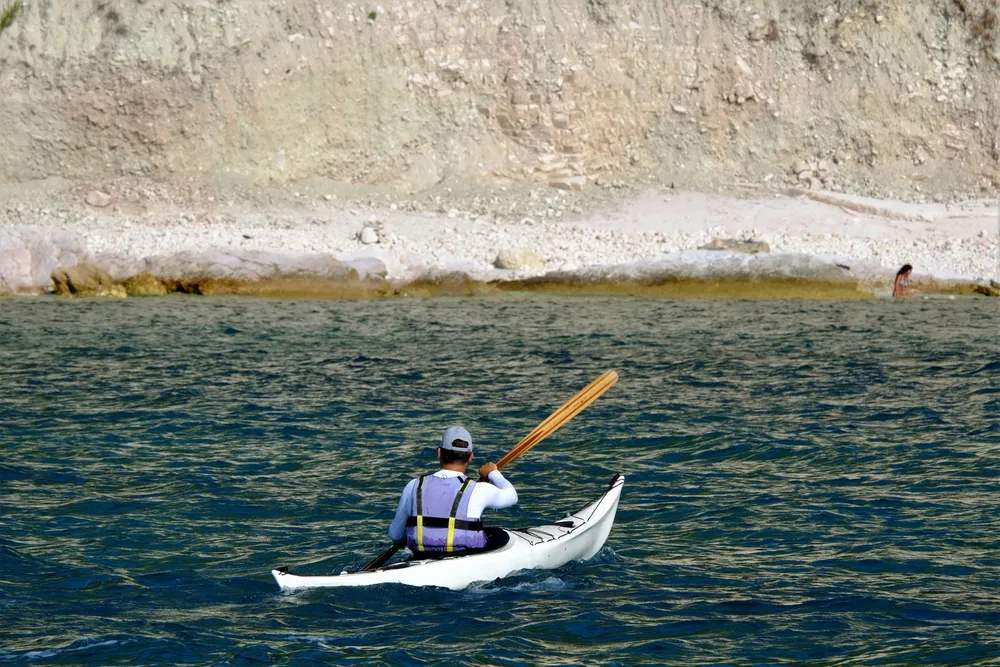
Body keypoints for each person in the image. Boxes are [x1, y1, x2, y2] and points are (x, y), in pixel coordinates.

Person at [388, 425, 517, 557]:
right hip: (464, 554)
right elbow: (512, 496)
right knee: (499, 535)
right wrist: (493, 473)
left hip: (421, 554)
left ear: (439, 452)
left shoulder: (414, 485)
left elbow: (395, 535)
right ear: (471, 457)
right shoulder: (480, 489)